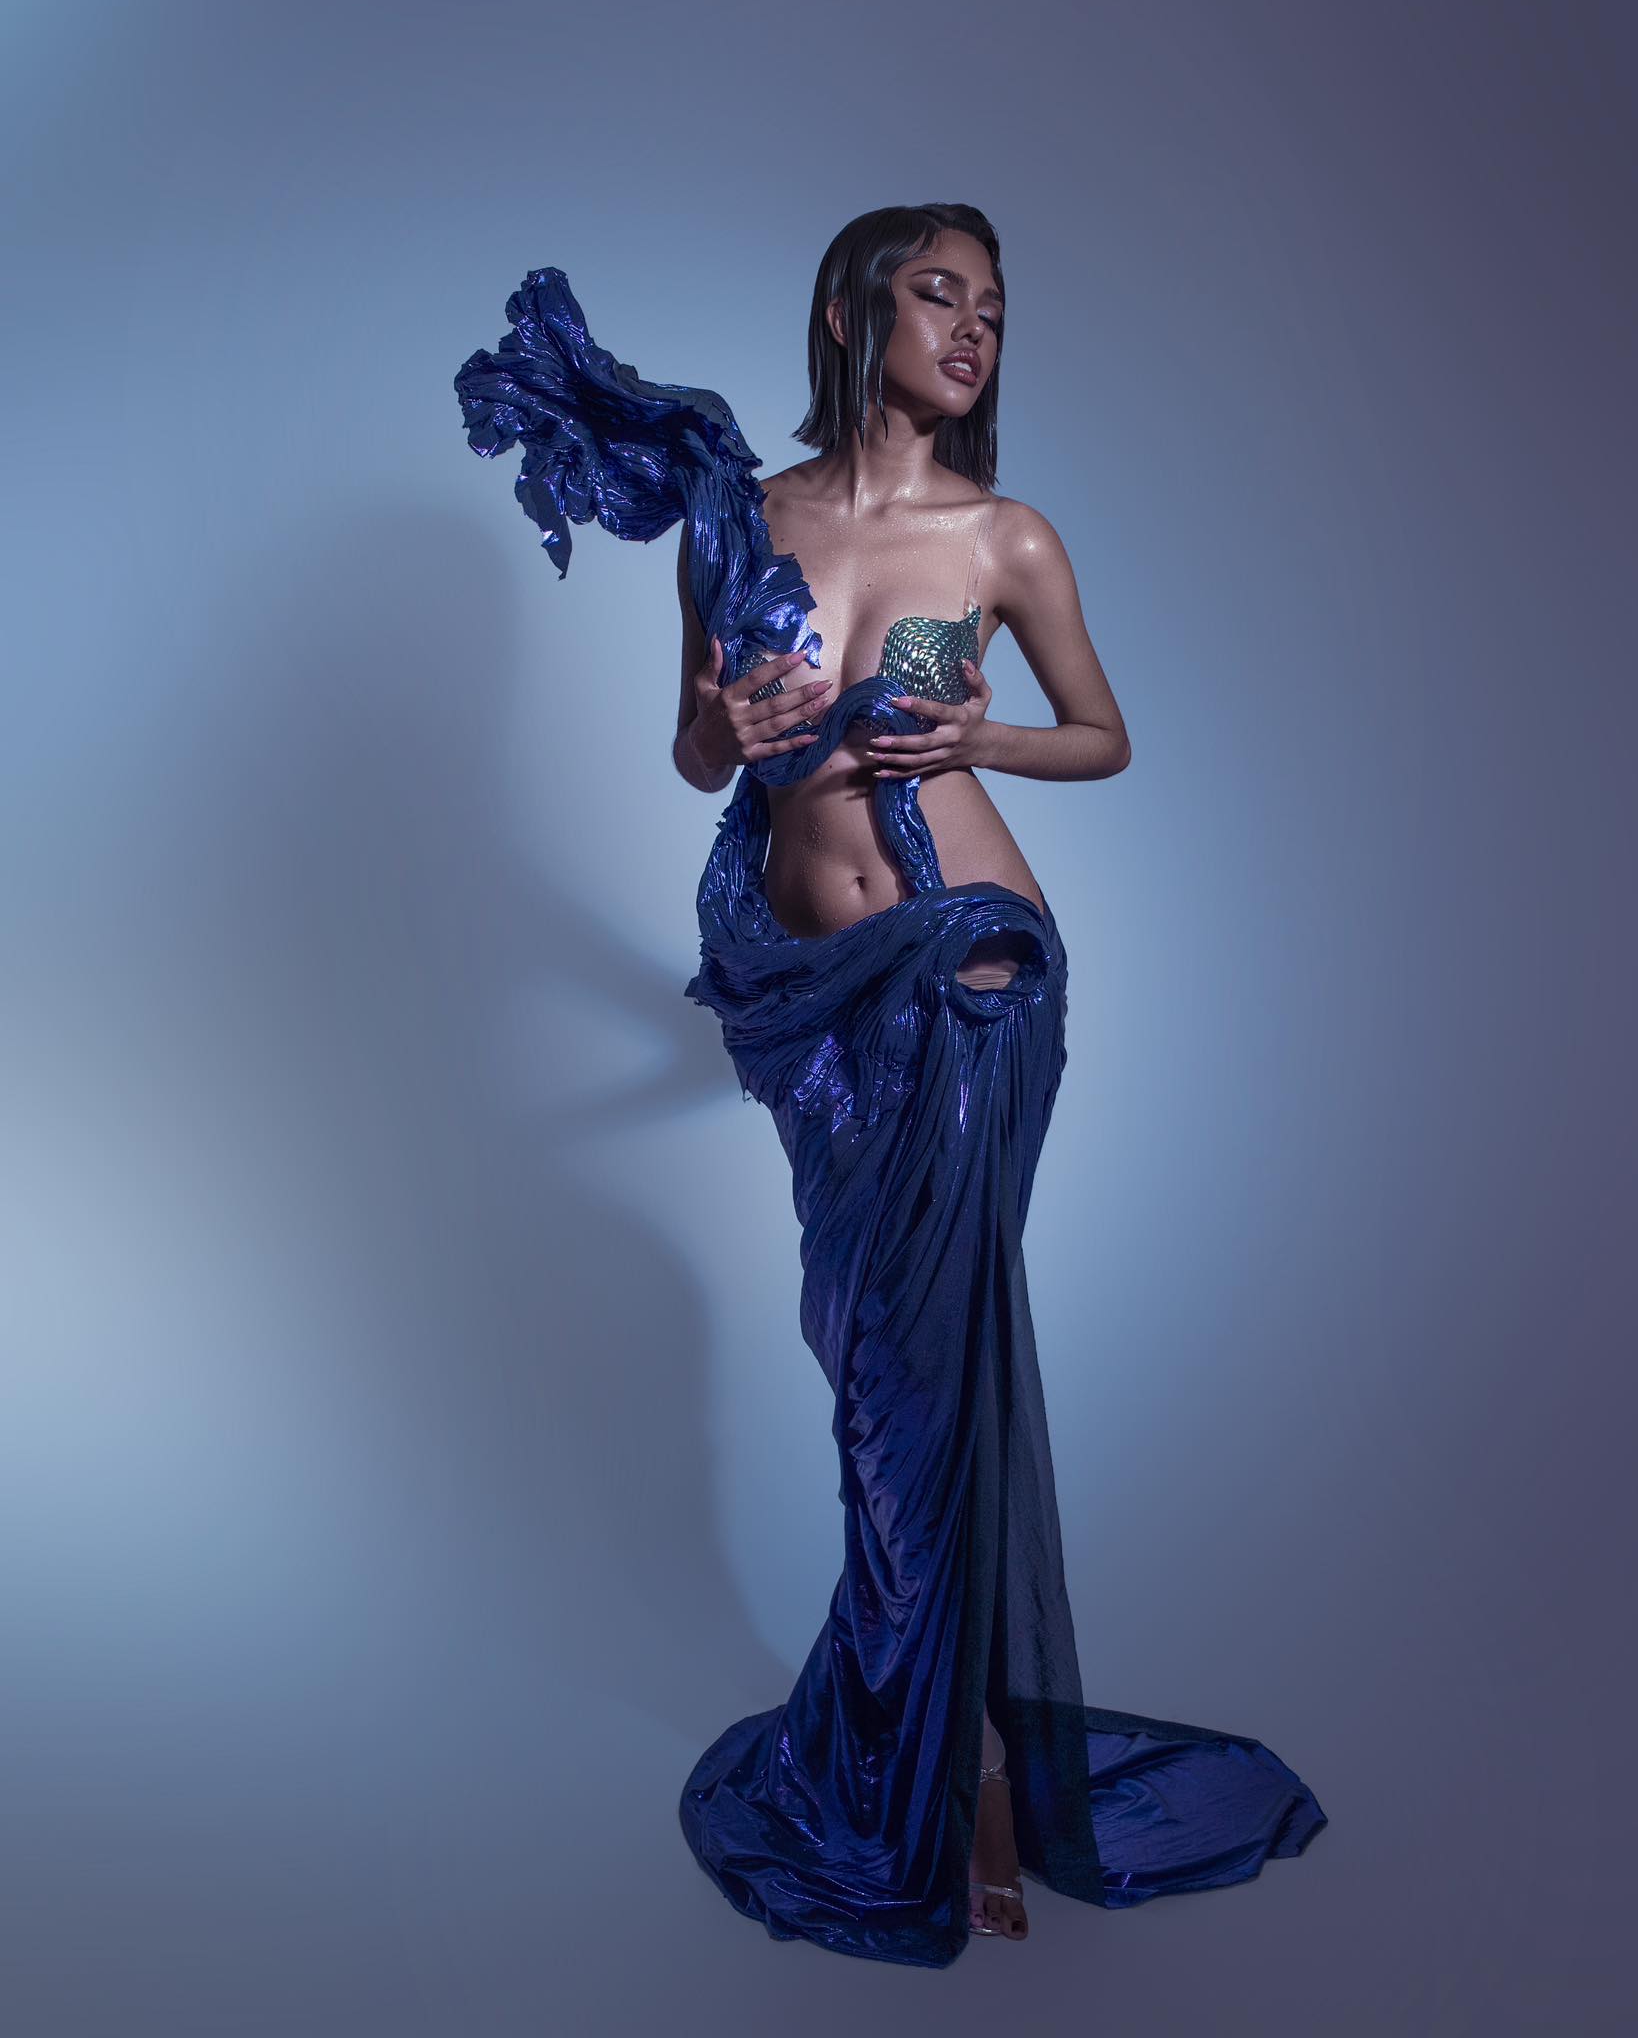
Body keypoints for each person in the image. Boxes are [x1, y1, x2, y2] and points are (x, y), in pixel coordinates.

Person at [454, 203, 1326, 1972]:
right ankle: (912, 1738)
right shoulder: (748, 520)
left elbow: (1103, 733)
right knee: (871, 1372)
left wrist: (977, 734)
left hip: (969, 973)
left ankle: (967, 1775)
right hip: (814, 999)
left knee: (929, 1384)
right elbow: (696, 747)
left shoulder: (1001, 536)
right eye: (939, 294)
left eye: (992, 306)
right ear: (853, 313)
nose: (973, 328)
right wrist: (728, 725)